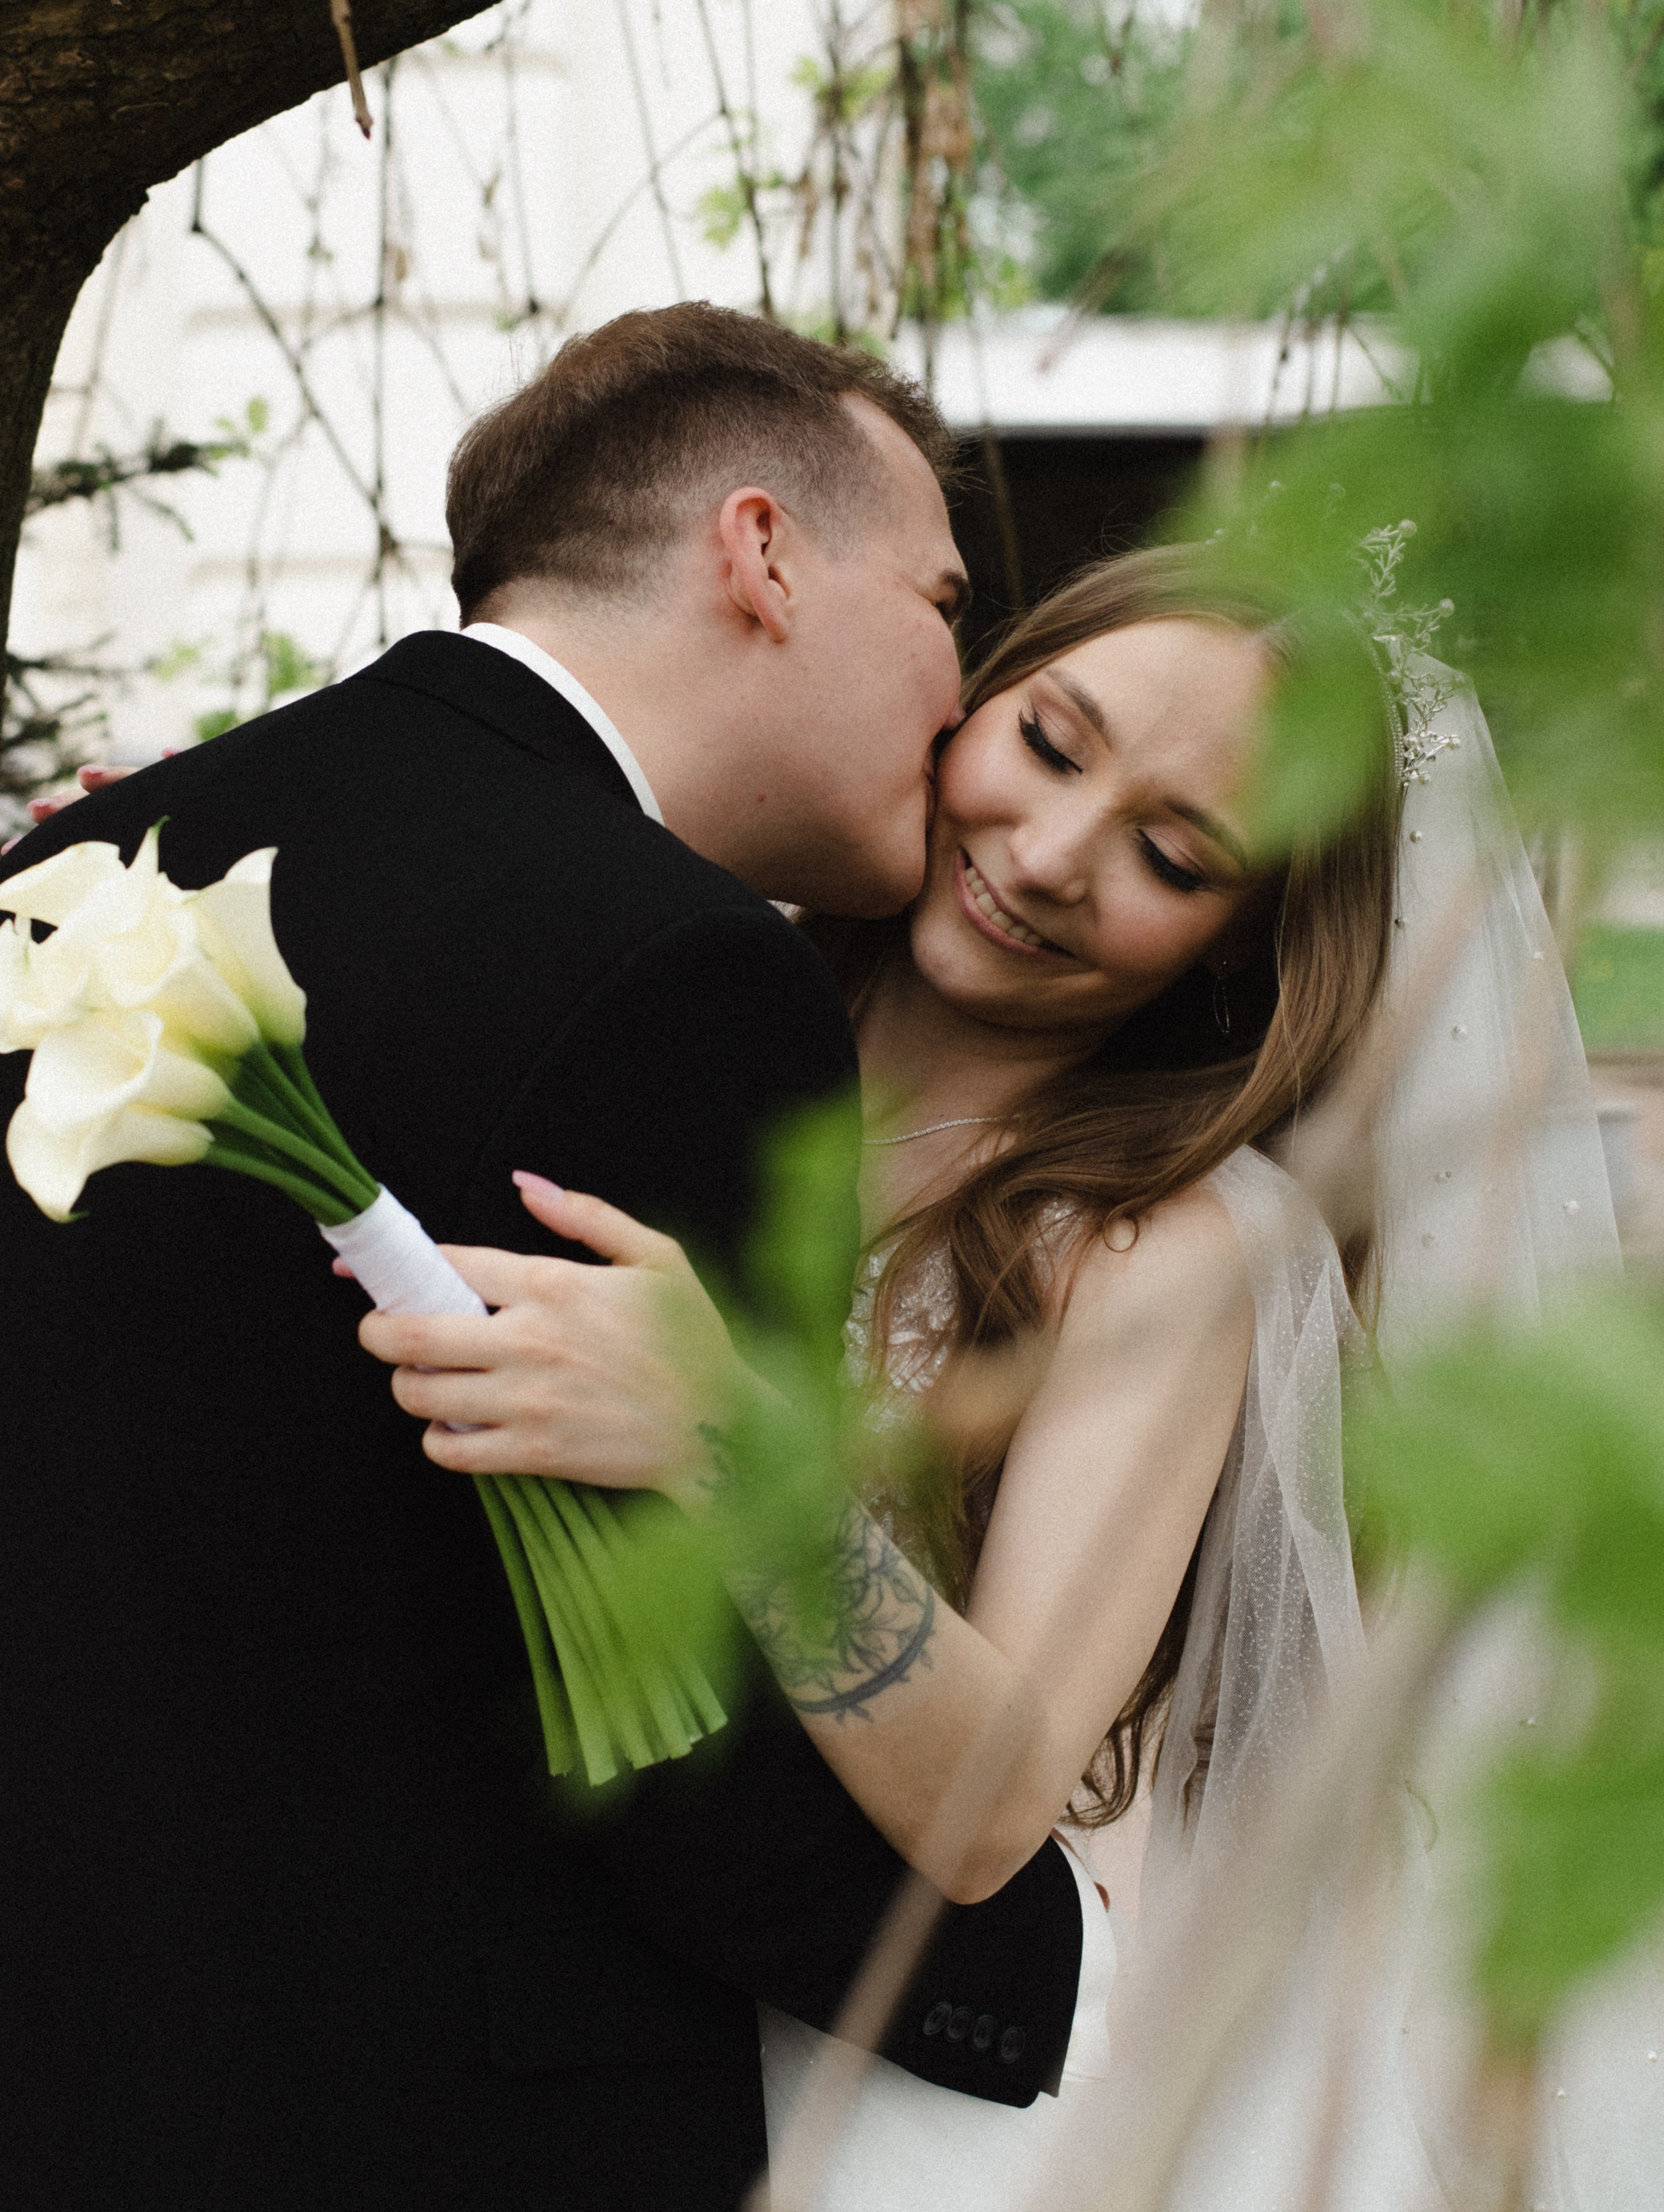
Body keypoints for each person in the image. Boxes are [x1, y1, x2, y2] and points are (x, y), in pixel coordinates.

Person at [0, 306, 1097, 2212]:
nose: (959, 691)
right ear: (760, 554)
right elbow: (646, 1704)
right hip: (432, 2111)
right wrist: (1026, 1963)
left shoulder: (88, 869)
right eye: (942, 602)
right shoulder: (681, 967)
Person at [355, 544, 1407, 2207]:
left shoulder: (1169, 1244)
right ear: (965, 697)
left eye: (1168, 852)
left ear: (1233, 944)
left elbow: (992, 1810)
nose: (1048, 854)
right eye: (1050, 745)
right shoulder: (655, 998)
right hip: (491, 2009)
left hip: (868, 2091)